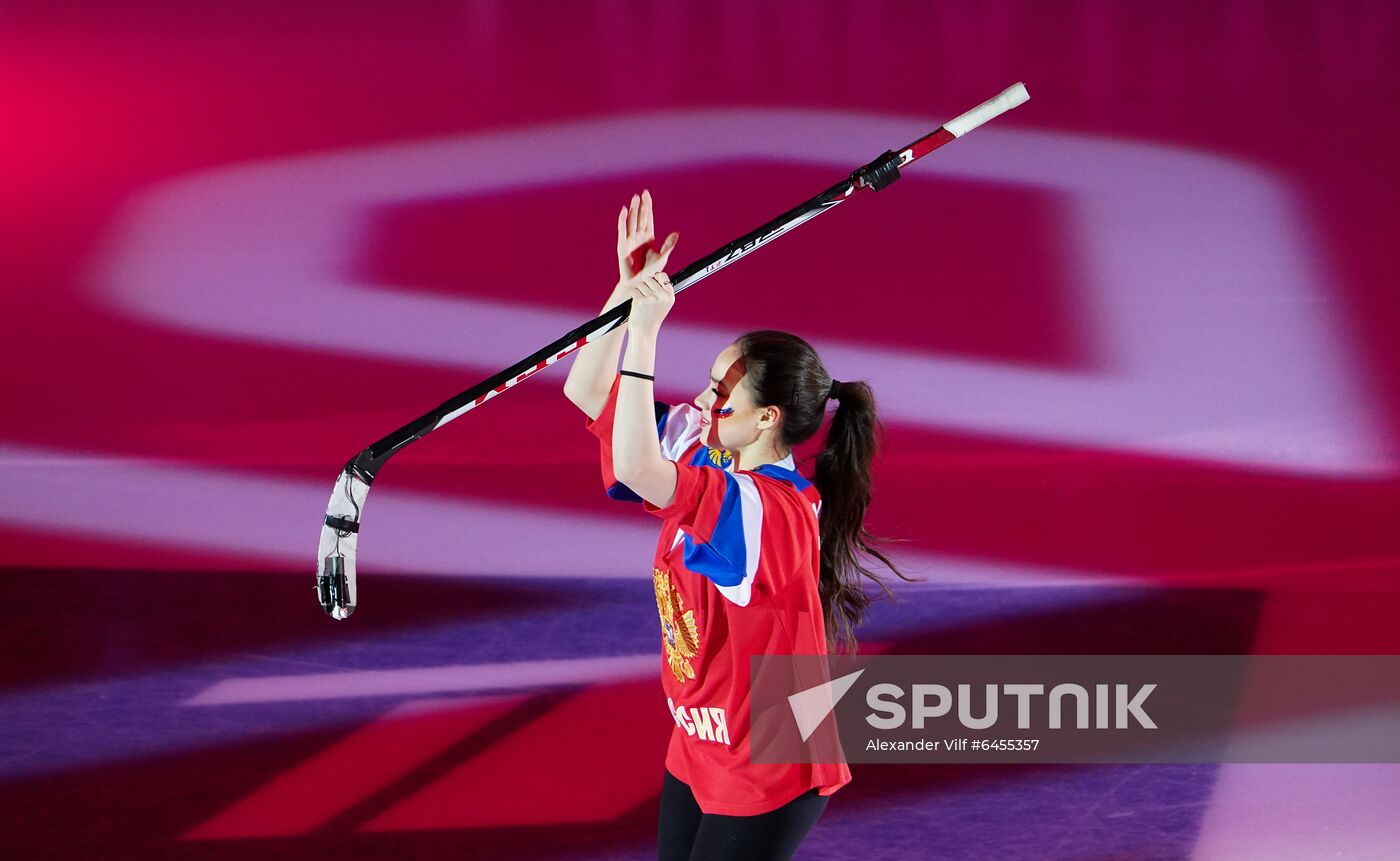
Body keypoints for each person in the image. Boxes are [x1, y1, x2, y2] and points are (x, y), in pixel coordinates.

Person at [564, 190, 910, 861]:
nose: (705, 400)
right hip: (702, 740)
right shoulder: (709, 452)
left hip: (770, 762)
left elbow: (637, 465)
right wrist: (624, 293)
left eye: (723, 394)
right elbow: (589, 391)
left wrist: (646, 333)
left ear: (767, 419)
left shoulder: (765, 511)